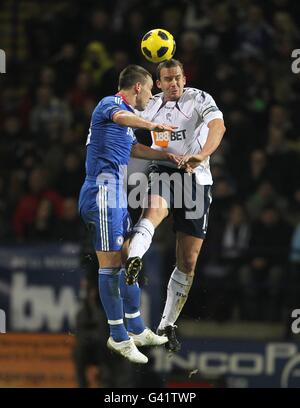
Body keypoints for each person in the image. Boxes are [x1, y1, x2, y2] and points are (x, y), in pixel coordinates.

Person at [78, 64, 182, 364]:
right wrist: (152, 126)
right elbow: (122, 117)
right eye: (150, 89)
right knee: (110, 266)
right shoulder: (110, 105)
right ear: (138, 87)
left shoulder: (123, 125)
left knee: (127, 258)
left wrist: (166, 155)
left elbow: (134, 148)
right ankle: (118, 336)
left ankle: (136, 328)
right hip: (101, 192)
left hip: (116, 194)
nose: (151, 96)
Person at [125, 59, 226, 352]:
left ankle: (166, 325)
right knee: (153, 210)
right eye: (167, 79)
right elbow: (123, 120)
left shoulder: (200, 98)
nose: (173, 84)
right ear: (158, 84)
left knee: (189, 261)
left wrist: (202, 154)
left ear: (185, 78)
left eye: (177, 78)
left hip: (196, 177)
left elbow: (218, 126)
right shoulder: (150, 105)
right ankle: (135, 256)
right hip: (164, 169)